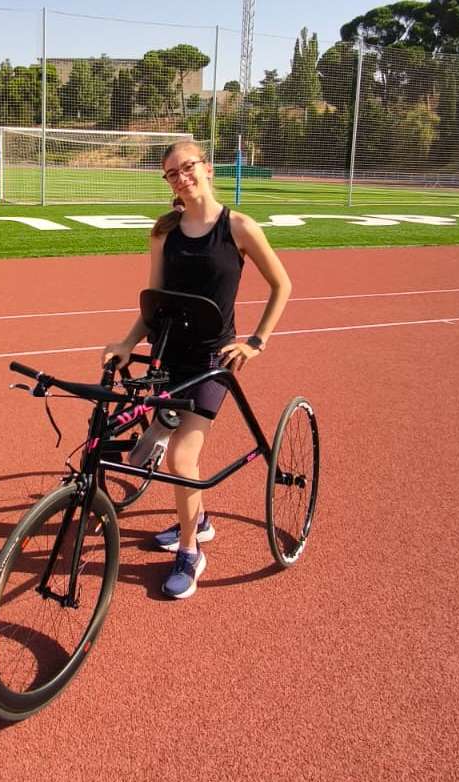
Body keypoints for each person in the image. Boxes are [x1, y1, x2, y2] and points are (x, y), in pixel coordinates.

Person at [102, 141, 291, 599]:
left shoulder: (239, 228)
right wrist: (128, 343)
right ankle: (199, 519)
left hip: (212, 362)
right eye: (171, 173)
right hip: (169, 359)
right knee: (147, 451)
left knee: (181, 458)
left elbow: (281, 285)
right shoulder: (164, 232)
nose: (181, 177)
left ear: (206, 168)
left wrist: (255, 343)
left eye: (187, 167)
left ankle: (191, 551)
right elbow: (156, 301)